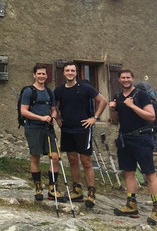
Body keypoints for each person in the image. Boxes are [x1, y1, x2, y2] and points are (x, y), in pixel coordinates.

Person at [109, 69, 157, 226]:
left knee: (150, 174)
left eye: (128, 77)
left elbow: (151, 116)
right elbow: (116, 120)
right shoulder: (118, 97)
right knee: (129, 173)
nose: (125, 80)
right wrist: (112, 109)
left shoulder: (141, 95)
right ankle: (131, 205)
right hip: (125, 139)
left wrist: (132, 106)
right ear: (119, 80)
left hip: (141, 138)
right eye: (123, 77)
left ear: (132, 79)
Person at [54, 61, 107, 208]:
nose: (70, 73)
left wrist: (94, 118)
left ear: (76, 73)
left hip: (83, 129)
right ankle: (77, 190)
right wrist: (58, 118)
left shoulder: (85, 88)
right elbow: (52, 105)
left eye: (72, 70)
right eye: (67, 70)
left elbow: (103, 101)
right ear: (64, 73)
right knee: (72, 160)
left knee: (86, 161)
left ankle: (91, 192)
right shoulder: (59, 90)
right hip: (67, 130)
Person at [20, 64, 65, 201]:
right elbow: (23, 111)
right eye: (39, 74)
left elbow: (53, 109)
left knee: (55, 157)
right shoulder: (28, 91)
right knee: (35, 157)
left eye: (43, 74)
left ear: (46, 76)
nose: (41, 76)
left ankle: (52, 188)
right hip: (33, 128)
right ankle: (38, 186)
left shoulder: (49, 92)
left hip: (48, 129)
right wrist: (41, 118)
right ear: (34, 75)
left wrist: (53, 117)